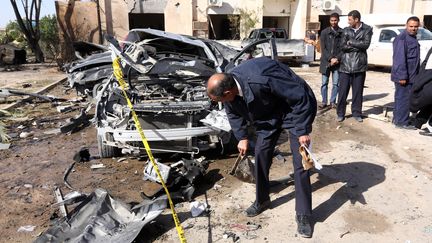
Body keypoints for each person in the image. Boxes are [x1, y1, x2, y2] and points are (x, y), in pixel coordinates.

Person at [206, 57, 317, 238]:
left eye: (220, 99)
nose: (221, 103)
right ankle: (262, 200)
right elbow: (232, 112)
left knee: (301, 163)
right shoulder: (229, 92)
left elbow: (300, 97)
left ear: (228, 91)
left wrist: (303, 129)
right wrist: (241, 137)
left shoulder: (260, 78)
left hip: (295, 107)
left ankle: (304, 214)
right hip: (269, 112)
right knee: (261, 154)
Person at [336, 10, 373, 122]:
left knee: (358, 92)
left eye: (350, 19)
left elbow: (365, 45)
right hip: (345, 66)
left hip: (359, 66)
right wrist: (357, 45)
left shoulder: (367, 29)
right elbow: (342, 46)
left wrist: (351, 42)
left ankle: (356, 113)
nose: (348, 22)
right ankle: (340, 113)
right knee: (342, 92)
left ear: (356, 19)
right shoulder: (346, 30)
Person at [391, 16, 421, 130]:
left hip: (411, 75)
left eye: (415, 27)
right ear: (406, 25)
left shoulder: (412, 38)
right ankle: (402, 122)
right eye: (411, 26)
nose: (413, 29)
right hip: (404, 76)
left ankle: (398, 119)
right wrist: (402, 76)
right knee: (403, 98)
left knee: (401, 98)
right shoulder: (402, 39)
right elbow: (399, 59)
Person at [318, 12, 343, 109]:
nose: (333, 22)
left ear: (338, 20)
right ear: (329, 21)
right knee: (324, 83)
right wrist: (330, 58)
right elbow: (323, 49)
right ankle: (324, 101)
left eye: (335, 20)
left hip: (337, 63)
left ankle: (333, 101)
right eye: (332, 20)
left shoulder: (342, 32)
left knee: (336, 84)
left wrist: (337, 58)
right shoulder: (324, 32)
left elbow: (343, 48)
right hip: (325, 62)